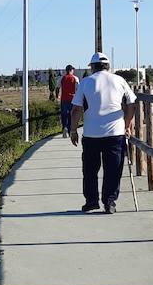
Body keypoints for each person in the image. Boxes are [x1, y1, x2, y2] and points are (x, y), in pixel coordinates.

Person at [69, 52, 136, 214]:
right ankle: (110, 202)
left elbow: (76, 109)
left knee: (90, 170)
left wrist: (73, 130)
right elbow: (131, 104)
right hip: (115, 132)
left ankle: (91, 201)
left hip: (91, 134)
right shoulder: (119, 80)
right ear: (108, 66)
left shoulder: (85, 82)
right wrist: (127, 124)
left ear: (92, 67)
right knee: (113, 169)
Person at [58, 64, 79, 135]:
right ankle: (70, 130)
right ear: (71, 70)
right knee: (71, 115)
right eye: (73, 70)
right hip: (73, 99)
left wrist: (57, 96)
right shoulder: (75, 78)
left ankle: (64, 127)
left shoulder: (62, 78)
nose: (73, 71)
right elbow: (78, 88)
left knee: (64, 114)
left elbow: (57, 88)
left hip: (64, 99)